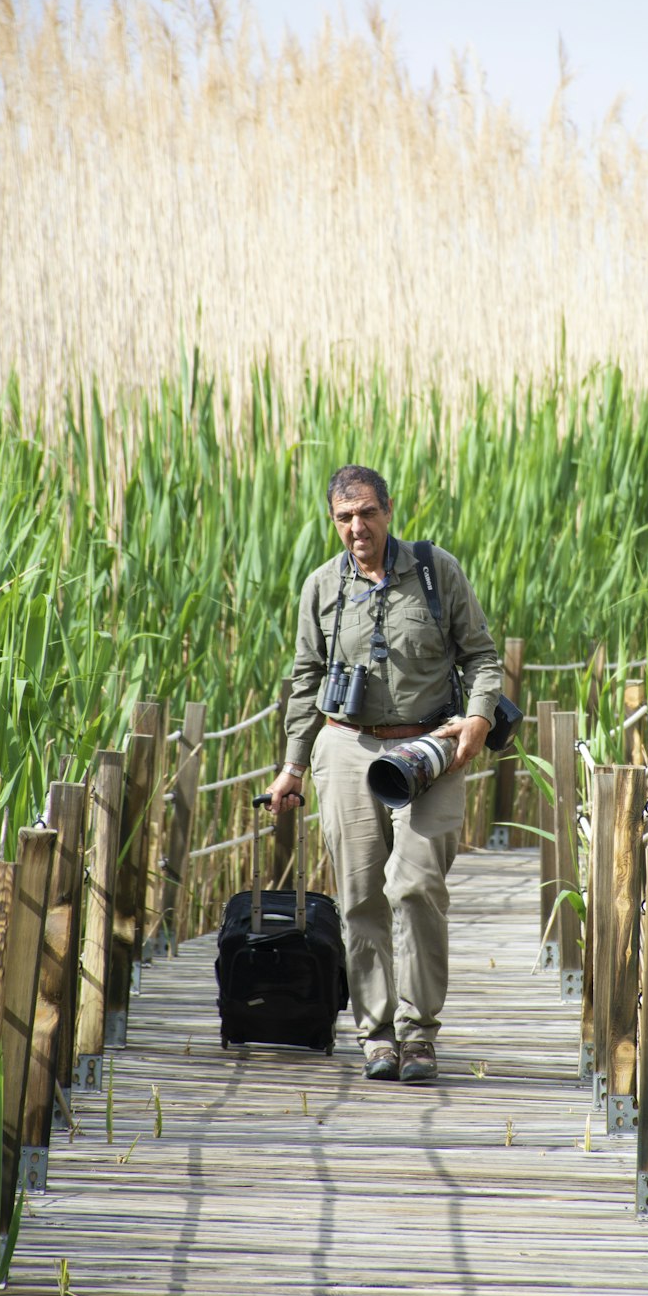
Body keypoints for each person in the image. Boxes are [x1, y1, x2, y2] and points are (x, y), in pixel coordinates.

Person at [265, 464, 504, 1084]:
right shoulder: (320, 587)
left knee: (418, 885)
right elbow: (305, 681)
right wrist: (292, 767)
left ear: (388, 510)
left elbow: (481, 656)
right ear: (333, 521)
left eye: (367, 512)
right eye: (345, 517)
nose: (357, 527)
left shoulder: (434, 571)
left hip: (432, 747)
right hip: (345, 747)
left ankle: (419, 1034)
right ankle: (377, 1037)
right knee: (361, 894)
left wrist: (476, 721)